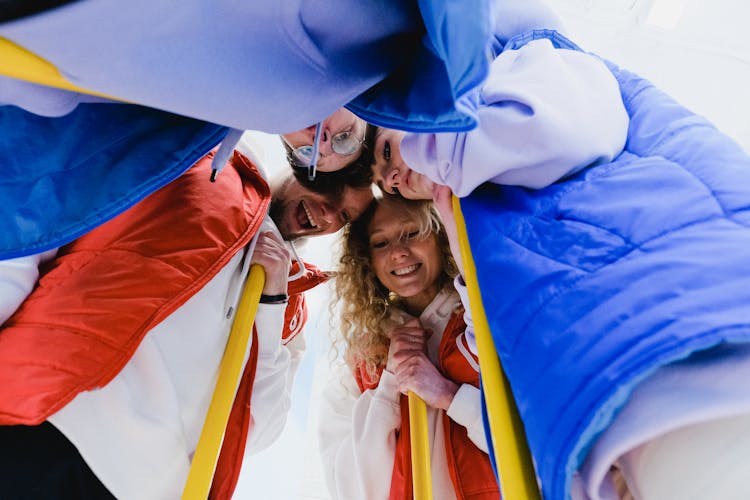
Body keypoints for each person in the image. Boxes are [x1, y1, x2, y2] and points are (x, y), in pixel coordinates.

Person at [357, 25, 750, 500]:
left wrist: (435, 149)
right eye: (387, 183)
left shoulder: (523, 63)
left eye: (385, 152)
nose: (395, 178)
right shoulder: (471, 200)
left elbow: (561, 127)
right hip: (598, 415)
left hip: (683, 349)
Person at [0, 144, 373, 499]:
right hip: (48, 413)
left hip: (140, 484)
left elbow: (259, 428)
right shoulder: (205, 164)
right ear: (308, 161)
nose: (328, 214)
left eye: (344, 217)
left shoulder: (289, 304)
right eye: (333, 190)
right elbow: (45, 220)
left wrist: (272, 299)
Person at [318, 195, 499, 499]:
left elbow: (537, 445)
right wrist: (390, 381)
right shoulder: (363, 358)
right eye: (381, 243)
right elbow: (349, 485)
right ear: (367, 260)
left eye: (412, 233)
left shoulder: (482, 317)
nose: (399, 253)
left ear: (440, 235)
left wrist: (449, 396)